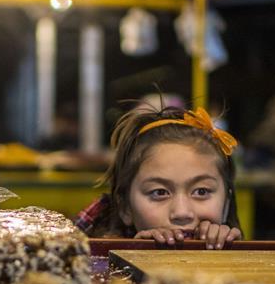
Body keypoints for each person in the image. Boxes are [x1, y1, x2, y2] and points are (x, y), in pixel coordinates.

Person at [75, 105, 242, 249]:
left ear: (226, 203)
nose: (182, 213)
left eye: (201, 191)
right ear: (125, 207)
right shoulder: (88, 259)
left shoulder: (239, 260)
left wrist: (230, 255)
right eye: (160, 192)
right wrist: (133, 254)